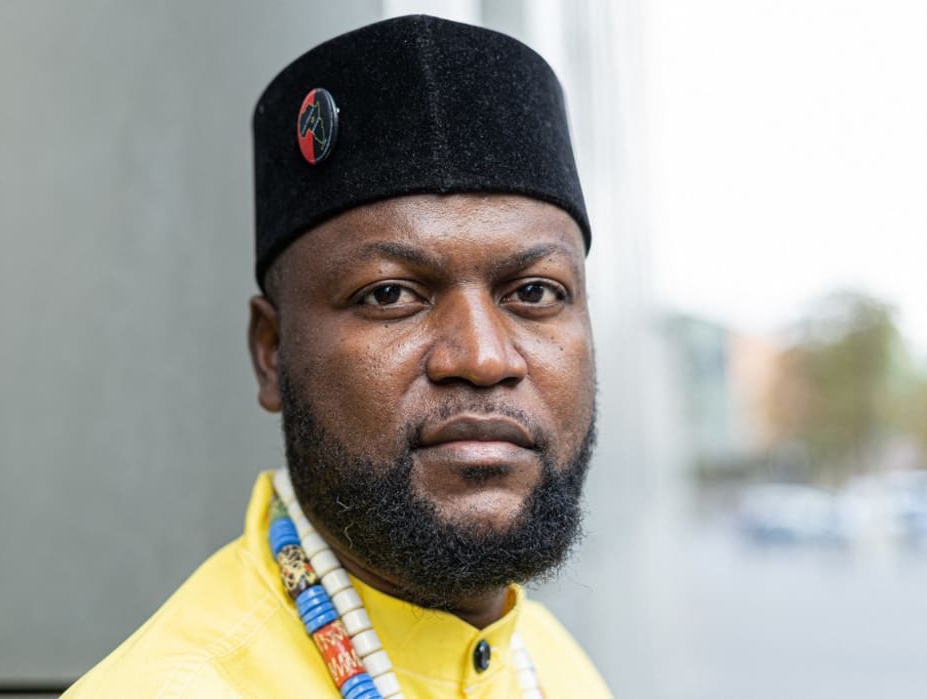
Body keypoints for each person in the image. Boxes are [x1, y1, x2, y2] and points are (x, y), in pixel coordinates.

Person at [65, 14, 611, 698]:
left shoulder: (557, 667)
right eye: (390, 294)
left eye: (535, 291)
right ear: (272, 352)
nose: (482, 356)